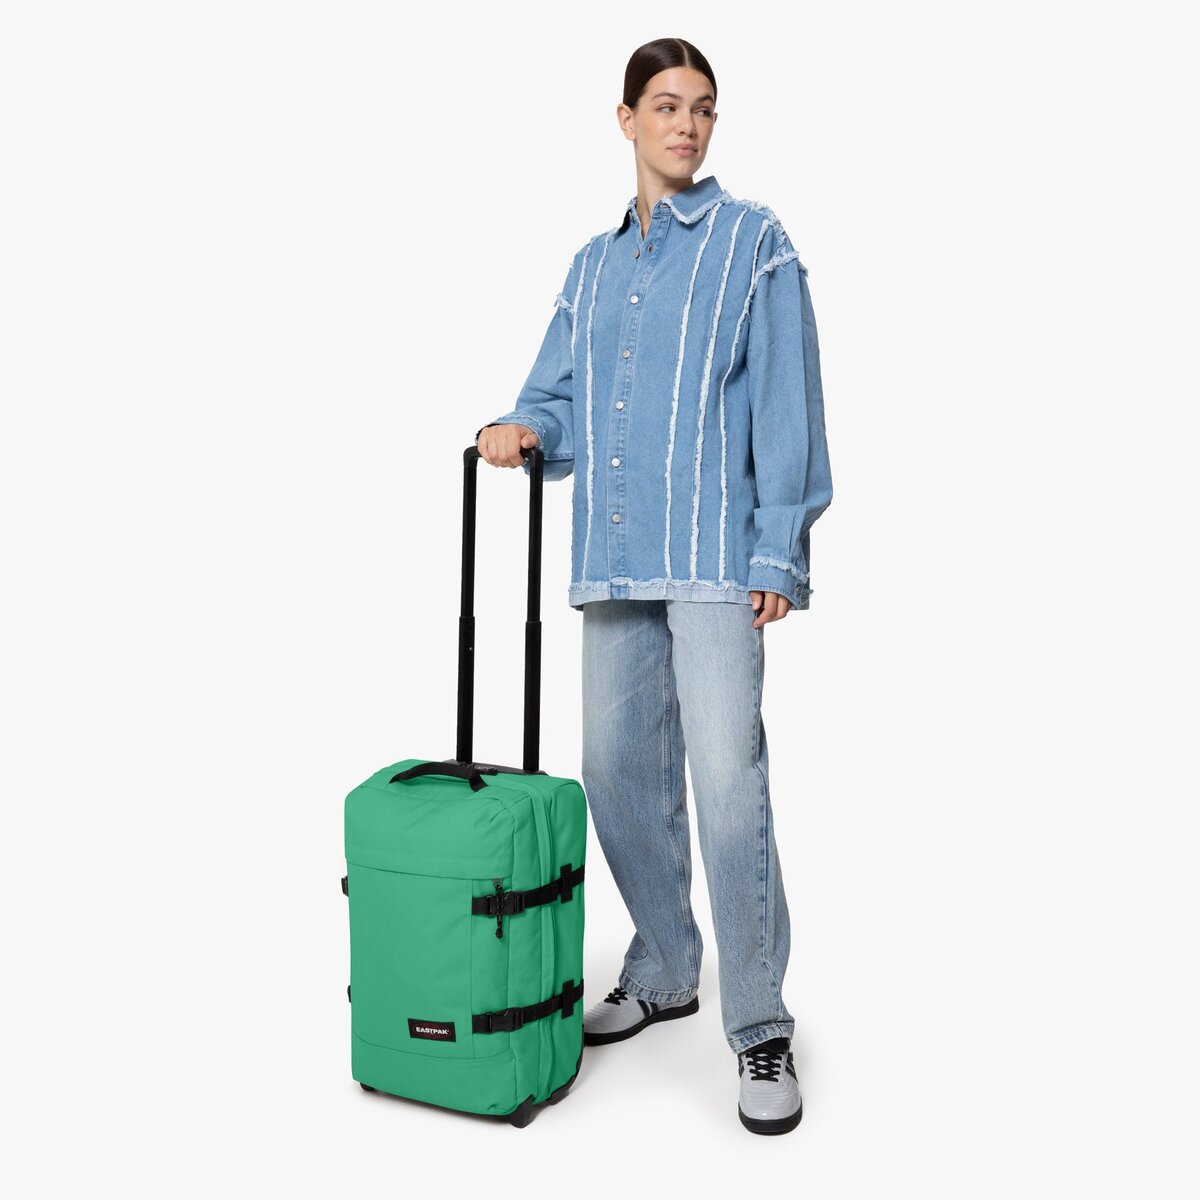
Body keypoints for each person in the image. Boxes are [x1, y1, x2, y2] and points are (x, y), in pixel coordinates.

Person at [476, 38, 832, 1136]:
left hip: (717, 555)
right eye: (668, 106)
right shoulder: (592, 267)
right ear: (626, 118)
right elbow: (558, 394)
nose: (687, 125)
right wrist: (522, 426)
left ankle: (758, 1019)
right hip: (616, 554)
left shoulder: (753, 243)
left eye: (704, 109)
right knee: (615, 770)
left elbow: (788, 399)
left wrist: (778, 550)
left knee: (728, 780)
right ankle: (668, 965)